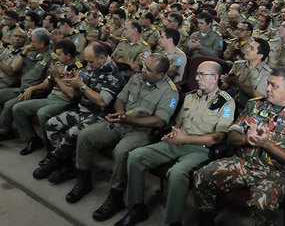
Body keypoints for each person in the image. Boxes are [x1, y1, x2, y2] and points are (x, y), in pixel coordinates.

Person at [193, 67, 285, 226]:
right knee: (201, 176)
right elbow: (232, 135)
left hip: (273, 173)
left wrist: (266, 144)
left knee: (263, 205)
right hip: (242, 163)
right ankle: (206, 220)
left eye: (274, 85)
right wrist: (246, 139)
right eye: (268, 84)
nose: (268, 89)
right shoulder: (255, 105)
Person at [117, 61, 235, 226]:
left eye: (201, 74)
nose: (196, 77)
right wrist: (173, 134)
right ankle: (137, 207)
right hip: (176, 142)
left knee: (177, 172)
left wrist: (184, 139)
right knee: (135, 156)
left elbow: (217, 138)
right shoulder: (190, 96)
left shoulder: (226, 102)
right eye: (197, 74)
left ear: (215, 78)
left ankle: (172, 222)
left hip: (199, 149)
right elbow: (178, 123)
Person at [66, 53, 179, 223]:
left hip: (142, 131)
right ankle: (84, 179)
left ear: (161, 74)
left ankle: (115, 196)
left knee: (121, 151)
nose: (143, 70)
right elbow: (120, 99)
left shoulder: (170, 92)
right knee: (86, 135)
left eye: (148, 69)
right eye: (143, 66)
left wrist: (130, 119)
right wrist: (120, 112)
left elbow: (159, 121)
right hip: (122, 121)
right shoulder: (137, 78)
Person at [32, 42, 124, 183]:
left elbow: (102, 101)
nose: (87, 64)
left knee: (72, 132)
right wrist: (72, 82)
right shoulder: (89, 66)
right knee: (51, 124)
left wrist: (81, 85)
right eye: (86, 61)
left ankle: (56, 160)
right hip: (82, 109)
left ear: (101, 58)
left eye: (90, 61)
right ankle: (65, 163)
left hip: (99, 116)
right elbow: (77, 94)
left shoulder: (113, 73)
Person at [12, 40, 82, 155]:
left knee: (43, 113)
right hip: (51, 98)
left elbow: (72, 94)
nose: (56, 57)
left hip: (65, 102)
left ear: (68, 56)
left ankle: (51, 149)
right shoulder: (59, 65)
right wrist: (32, 88)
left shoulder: (79, 69)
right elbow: (46, 83)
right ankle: (32, 139)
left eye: (59, 55)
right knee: (18, 108)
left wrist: (58, 78)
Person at [0, 28, 54, 140]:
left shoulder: (51, 57)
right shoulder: (30, 51)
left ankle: (3, 132)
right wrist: (23, 53)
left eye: (33, 41)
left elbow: (48, 82)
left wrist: (33, 89)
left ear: (42, 43)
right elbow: (14, 69)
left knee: (10, 105)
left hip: (35, 93)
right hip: (21, 88)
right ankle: (8, 129)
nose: (30, 43)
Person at [221, 38, 271, 110]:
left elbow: (260, 96)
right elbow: (225, 86)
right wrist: (225, 81)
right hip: (229, 101)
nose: (247, 50)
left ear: (260, 56)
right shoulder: (238, 65)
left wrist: (238, 83)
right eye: (249, 47)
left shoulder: (266, 73)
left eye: (252, 49)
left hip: (247, 108)